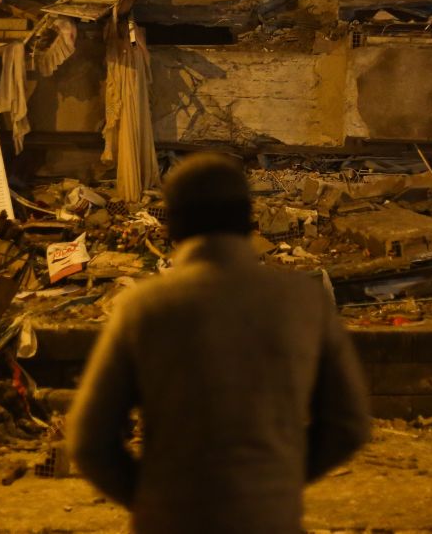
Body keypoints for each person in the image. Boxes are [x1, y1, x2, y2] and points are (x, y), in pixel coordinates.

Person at [67, 153, 371, 533]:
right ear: (248, 219)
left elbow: (88, 442)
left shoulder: (142, 308)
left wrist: (154, 498)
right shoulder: (303, 301)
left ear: (172, 227)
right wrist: (275, 484)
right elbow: (349, 426)